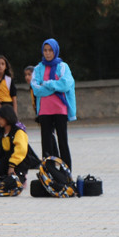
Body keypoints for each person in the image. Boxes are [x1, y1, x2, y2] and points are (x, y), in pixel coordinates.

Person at [31, 38, 77, 169]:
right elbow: (36, 89)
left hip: (60, 109)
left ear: (55, 51)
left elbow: (65, 85)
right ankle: (48, 171)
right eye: (45, 50)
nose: (47, 53)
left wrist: (47, 84)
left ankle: (66, 171)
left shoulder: (63, 67)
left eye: (50, 50)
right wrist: (54, 87)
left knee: (63, 142)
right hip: (44, 110)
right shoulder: (38, 68)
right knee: (46, 143)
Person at [0, 104, 29, 183]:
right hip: (5, 161)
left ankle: (21, 177)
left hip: (18, 163)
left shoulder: (18, 132)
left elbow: (21, 150)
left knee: (12, 182)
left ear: (7, 117)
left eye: (0, 119)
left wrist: (12, 166)